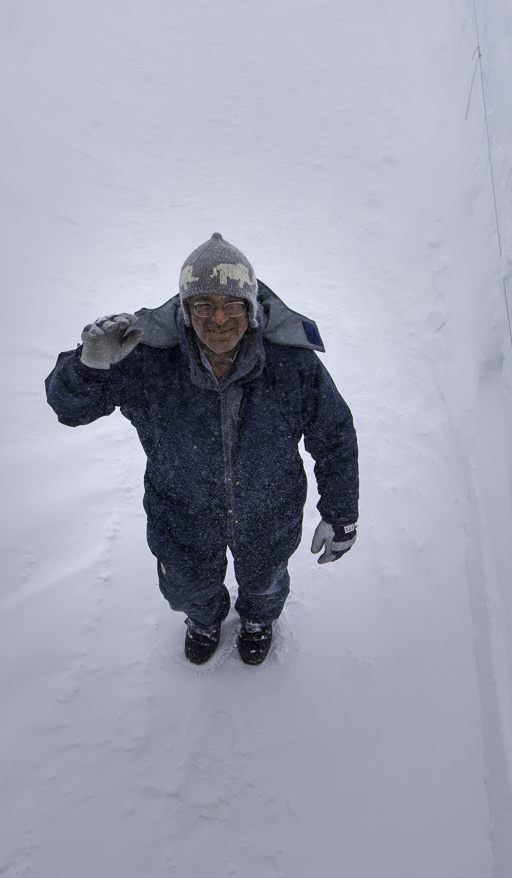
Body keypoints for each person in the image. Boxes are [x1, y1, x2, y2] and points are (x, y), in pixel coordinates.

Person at [45, 233, 359, 665]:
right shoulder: (147, 358)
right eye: (202, 304)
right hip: (180, 516)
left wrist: (341, 514)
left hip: (270, 512)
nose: (218, 318)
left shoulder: (291, 362)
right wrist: (88, 365)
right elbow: (70, 409)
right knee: (186, 588)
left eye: (232, 304)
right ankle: (205, 621)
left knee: (266, 584)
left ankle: (256, 621)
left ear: (249, 308)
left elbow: (335, 434)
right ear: (185, 309)